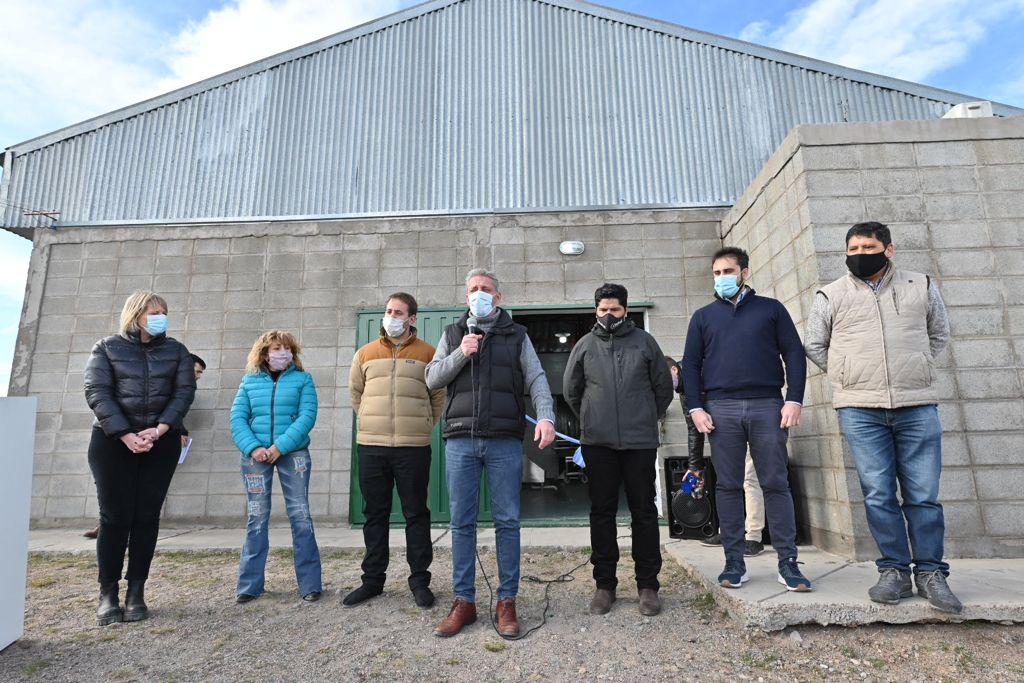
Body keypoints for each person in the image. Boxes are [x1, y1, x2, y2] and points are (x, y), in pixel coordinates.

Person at [804, 222, 961, 614]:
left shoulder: (919, 285)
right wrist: (847, 377)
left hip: (917, 405)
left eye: (868, 245)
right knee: (878, 494)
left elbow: (938, 335)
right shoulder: (831, 294)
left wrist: (916, 367)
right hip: (860, 409)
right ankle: (893, 571)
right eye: (853, 246)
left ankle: (930, 573)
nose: (860, 252)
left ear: (888, 249)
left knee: (924, 496)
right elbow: (814, 343)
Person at [425, 268, 556, 638]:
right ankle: (463, 602)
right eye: (473, 289)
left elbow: (536, 379)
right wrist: (461, 355)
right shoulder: (453, 334)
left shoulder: (517, 335)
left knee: (508, 521)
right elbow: (432, 378)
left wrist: (546, 416)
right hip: (460, 439)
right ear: (466, 296)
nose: (478, 294)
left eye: (485, 289)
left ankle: (507, 601)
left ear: (498, 297)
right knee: (461, 523)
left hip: (504, 440)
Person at [681, 247, 811, 592]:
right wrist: (696, 408)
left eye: (728, 271)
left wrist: (794, 399)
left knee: (775, 483)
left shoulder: (771, 310)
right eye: (716, 273)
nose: (722, 277)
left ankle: (788, 562)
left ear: (745, 272)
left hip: (768, 405)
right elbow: (690, 365)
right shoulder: (703, 317)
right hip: (720, 409)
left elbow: (795, 354)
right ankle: (734, 561)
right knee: (727, 485)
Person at [83, 291, 196, 625]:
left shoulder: (176, 350)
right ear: (135, 314)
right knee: (114, 517)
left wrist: (159, 430)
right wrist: (125, 434)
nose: (160, 316)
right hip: (112, 441)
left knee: (147, 517)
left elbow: (183, 393)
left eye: (164, 311)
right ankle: (108, 593)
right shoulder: (106, 347)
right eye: (153, 311)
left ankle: (136, 591)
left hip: (160, 441)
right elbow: (97, 392)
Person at [564, 284, 674, 616]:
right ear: (595, 311)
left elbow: (663, 389)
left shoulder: (645, 343)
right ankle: (605, 585)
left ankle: (648, 586)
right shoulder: (584, 346)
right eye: (602, 310)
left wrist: (643, 416)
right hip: (598, 442)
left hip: (639, 442)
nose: (607, 315)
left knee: (644, 511)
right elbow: (572, 390)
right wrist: (591, 418)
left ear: (625, 311)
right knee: (602, 512)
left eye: (614, 310)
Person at [345, 293, 445, 609]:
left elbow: (438, 395)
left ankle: (419, 582)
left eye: (398, 312)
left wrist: (423, 424)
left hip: (412, 447)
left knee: (416, 513)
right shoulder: (365, 353)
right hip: (372, 447)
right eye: (388, 311)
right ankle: (372, 581)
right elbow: (356, 393)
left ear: (412, 318)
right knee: (375, 514)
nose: (391, 316)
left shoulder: (429, 354)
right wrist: (372, 423)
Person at [230, 331, 322, 603]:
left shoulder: (303, 379)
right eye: (276, 348)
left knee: (301, 514)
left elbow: (307, 416)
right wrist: (254, 448)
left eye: (286, 348)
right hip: (254, 457)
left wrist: (280, 446)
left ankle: (310, 585)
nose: (282, 352)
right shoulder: (248, 382)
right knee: (257, 516)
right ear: (264, 352)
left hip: (293, 454)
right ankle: (249, 586)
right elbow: (237, 418)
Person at [84, 353, 206, 541]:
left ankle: (119, 530)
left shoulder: (181, 387)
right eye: (196, 371)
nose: (197, 376)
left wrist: (177, 431)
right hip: (120, 437)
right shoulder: (153, 380)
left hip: (154, 440)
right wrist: (127, 434)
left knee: (141, 499)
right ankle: (107, 525)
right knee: (114, 492)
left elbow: (176, 409)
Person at [672, 354, 767, 556]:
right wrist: (694, 467)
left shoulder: (701, 369)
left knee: (750, 478)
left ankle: (753, 536)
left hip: (745, 424)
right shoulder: (684, 389)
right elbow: (693, 428)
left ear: (674, 370)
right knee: (726, 482)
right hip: (725, 437)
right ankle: (730, 532)